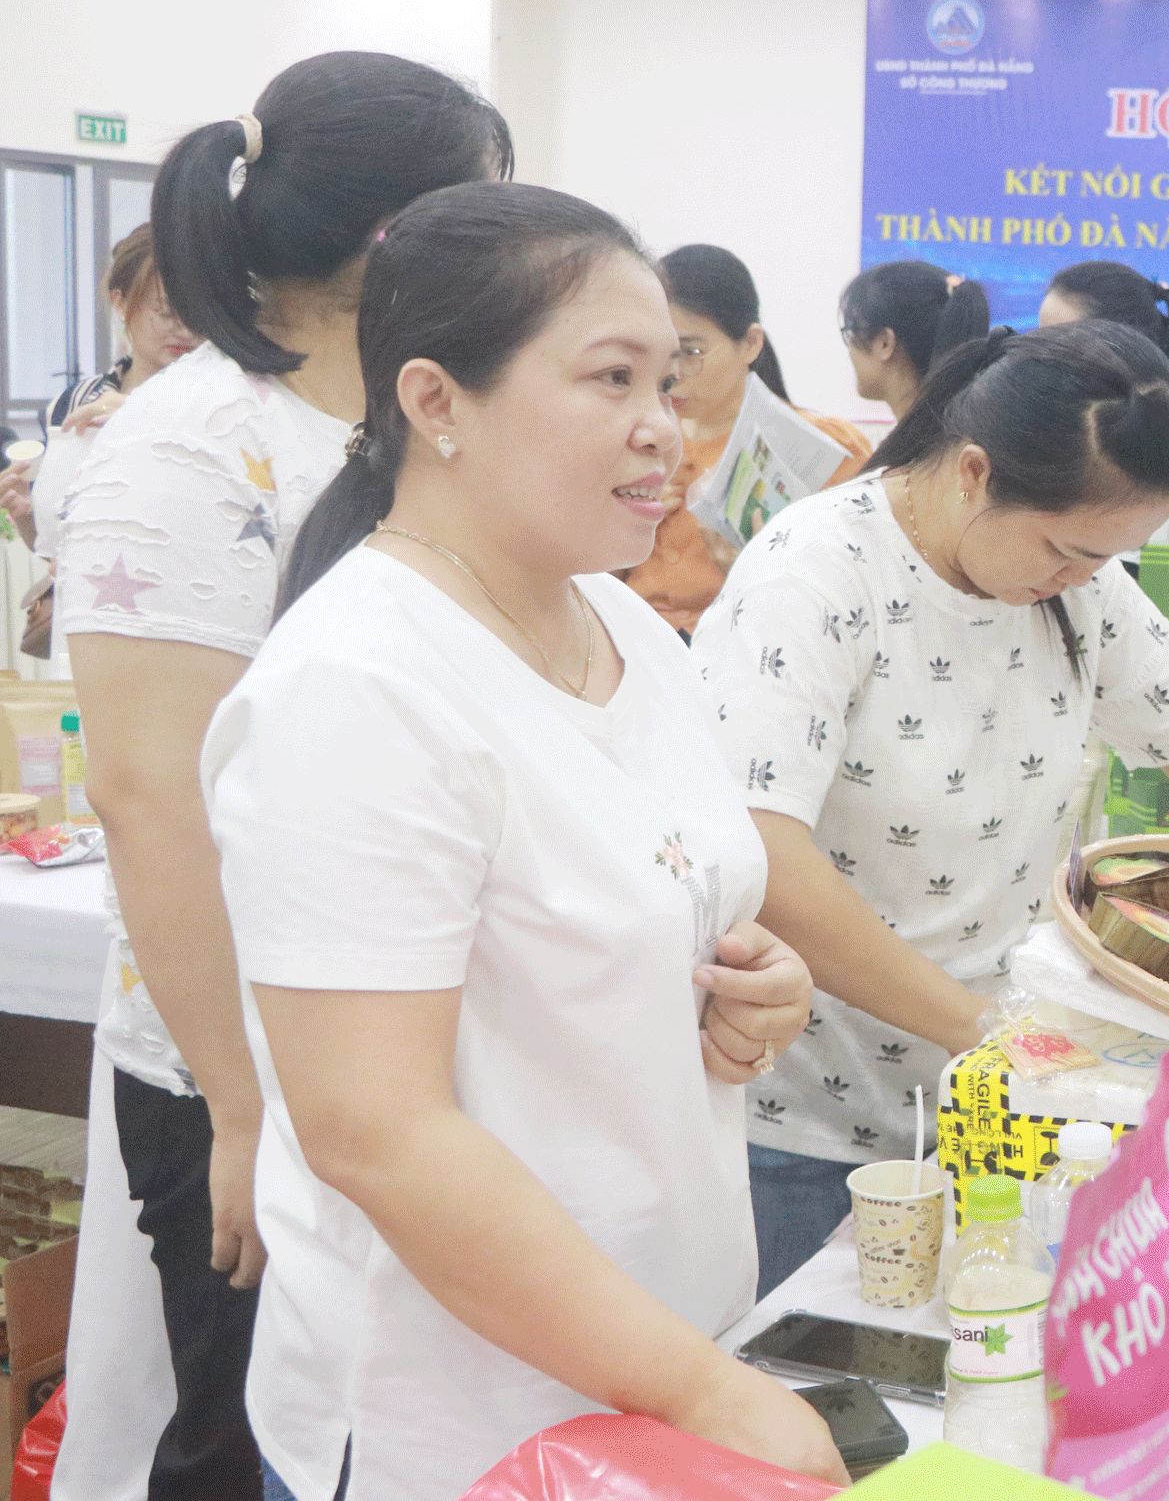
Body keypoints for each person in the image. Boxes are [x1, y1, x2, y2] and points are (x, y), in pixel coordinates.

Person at [214, 181, 838, 1499]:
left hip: (650, 1365)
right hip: (454, 1423)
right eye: (612, 380)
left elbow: (646, 897)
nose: (661, 429)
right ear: (437, 402)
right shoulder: (357, 687)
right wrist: (707, 1388)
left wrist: (752, 987)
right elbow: (374, 1127)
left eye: (670, 382)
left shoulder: (631, 631)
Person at [51, 52, 512, 1501]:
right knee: (248, 1441)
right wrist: (246, 1107)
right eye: (488, 215)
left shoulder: (415, 420)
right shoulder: (191, 451)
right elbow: (152, 799)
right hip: (246, 1061)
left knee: (394, 1431)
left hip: (408, 1038)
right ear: (402, 239)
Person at [693, 321, 1169, 1295]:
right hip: (812, 1121)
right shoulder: (815, 575)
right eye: (1067, 548)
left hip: (1007, 1101)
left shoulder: (1077, 589)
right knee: (815, 1410)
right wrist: (984, 1029)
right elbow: (763, 850)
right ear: (971, 471)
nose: (1080, 577)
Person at [621, 244, 872, 633]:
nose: (673, 373)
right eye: (659, 353)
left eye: (691, 351)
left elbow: (858, 589)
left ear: (751, 343)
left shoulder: (827, 448)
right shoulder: (638, 440)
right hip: (634, 647)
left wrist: (754, 569)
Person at [0, 225, 198, 557]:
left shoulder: (216, 404)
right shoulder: (77, 402)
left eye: (198, 313)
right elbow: (51, 550)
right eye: (166, 313)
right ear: (120, 303)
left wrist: (142, 414)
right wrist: (28, 516)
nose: (186, 329)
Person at [1037, 260, 1169, 551]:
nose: (1041, 355)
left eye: (1060, 341)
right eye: (1040, 337)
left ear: (1122, 345)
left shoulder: (1151, 443)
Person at [839, 259, 989, 421]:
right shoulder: (964, 428)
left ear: (885, 343)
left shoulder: (926, 444)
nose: (850, 350)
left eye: (851, 332)